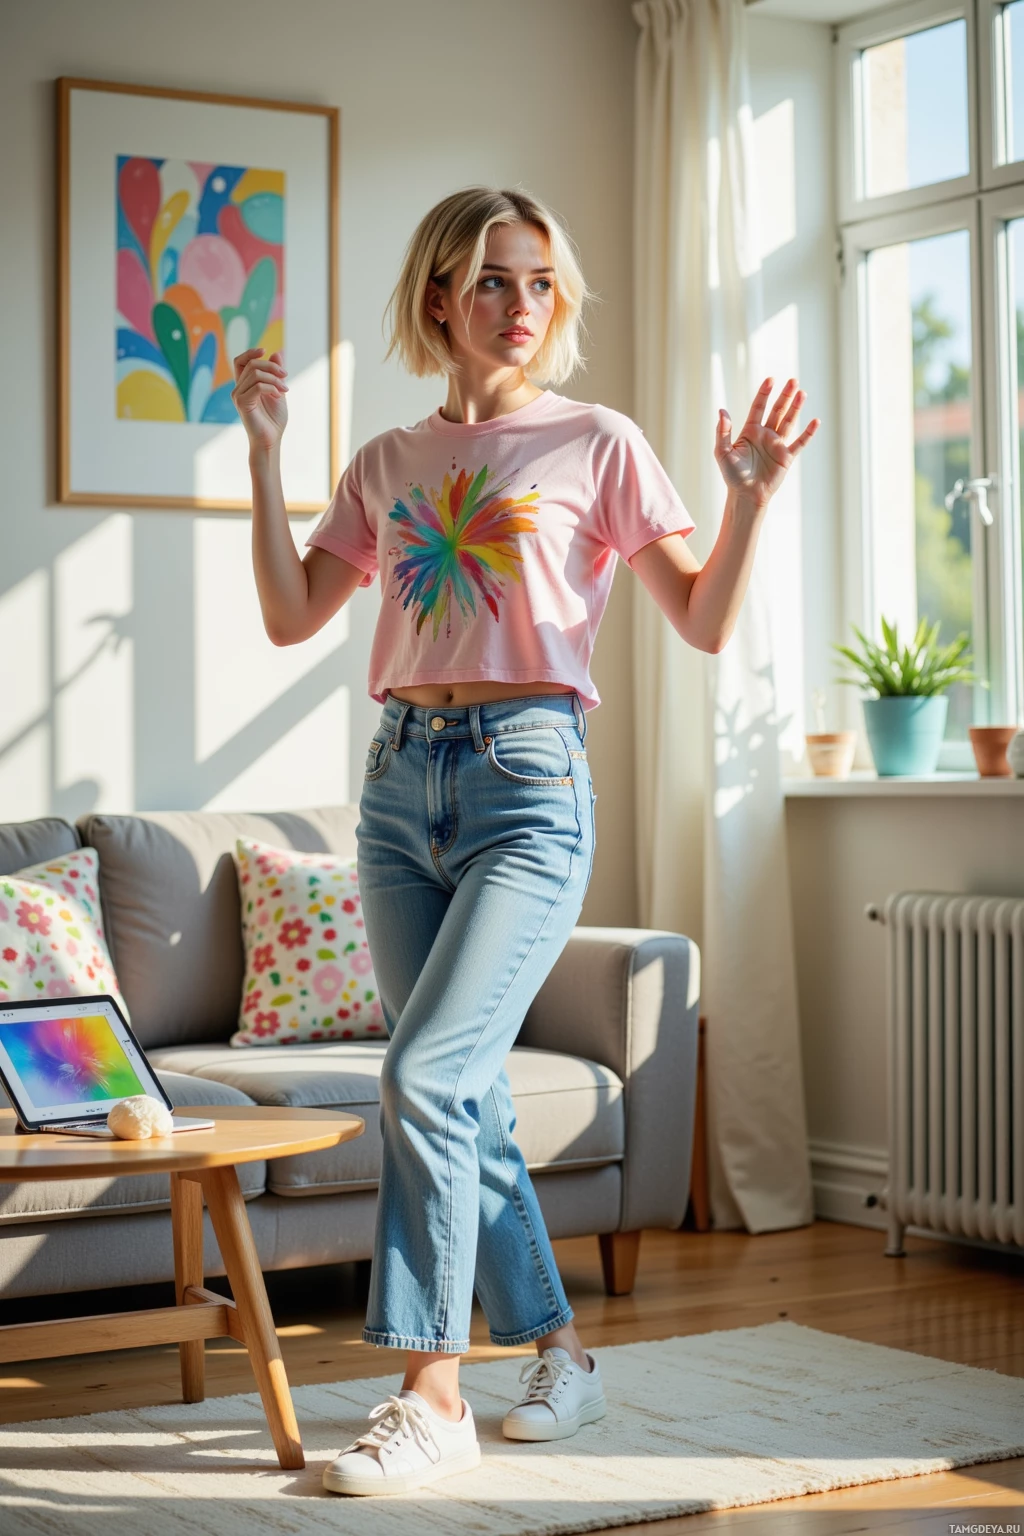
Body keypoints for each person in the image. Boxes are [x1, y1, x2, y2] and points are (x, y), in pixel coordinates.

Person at [233, 185, 818, 1498]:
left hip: (529, 786)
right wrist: (267, 452)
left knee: (425, 1076)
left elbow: (704, 621)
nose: (520, 306)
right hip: (397, 793)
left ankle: (428, 1395)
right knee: (466, 1092)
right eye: (493, 281)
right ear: (440, 295)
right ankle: (562, 1350)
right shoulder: (385, 462)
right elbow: (288, 616)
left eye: (541, 282)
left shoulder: (598, 442)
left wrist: (754, 497)